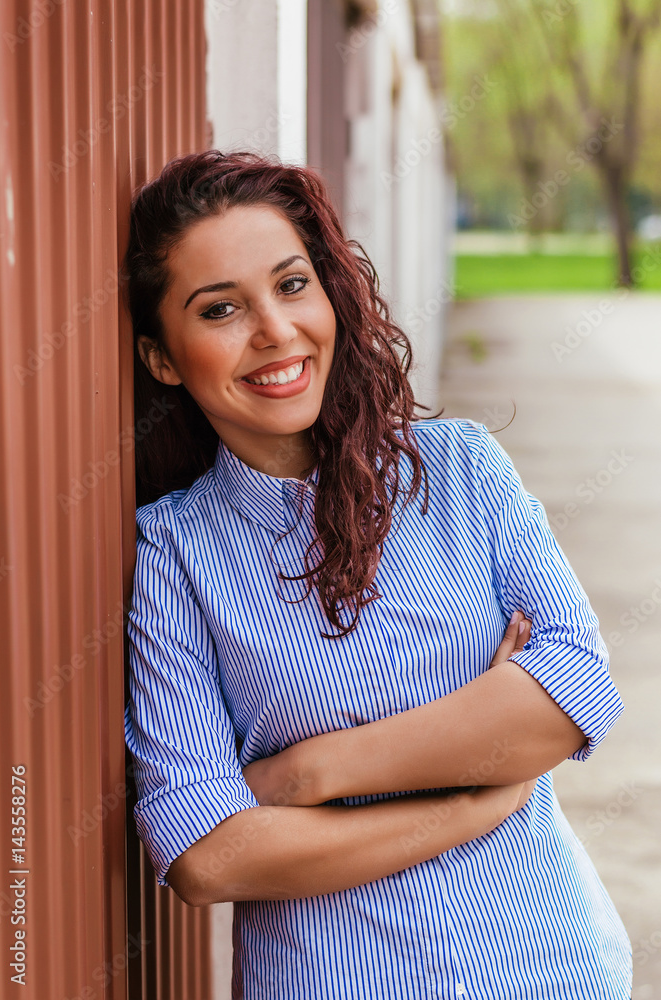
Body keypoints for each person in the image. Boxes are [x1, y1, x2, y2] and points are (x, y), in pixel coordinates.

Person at [123, 149, 632, 999]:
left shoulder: (462, 472)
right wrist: (467, 799)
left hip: (549, 966)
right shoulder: (174, 557)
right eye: (220, 310)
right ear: (163, 358)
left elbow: (570, 698)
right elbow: (208, 856)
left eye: (291, 286)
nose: (275, 332)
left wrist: (300, 778)